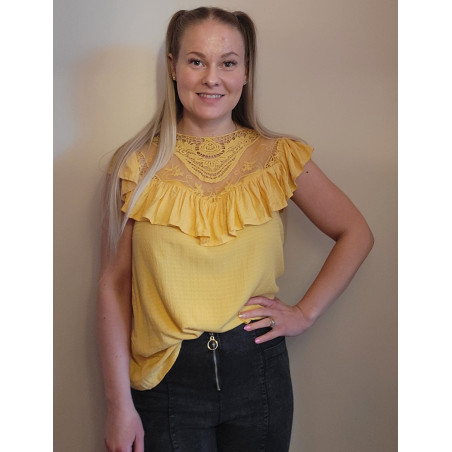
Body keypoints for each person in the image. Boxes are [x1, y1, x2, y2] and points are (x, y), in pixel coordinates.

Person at [97, 6, 374, 452]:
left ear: (246, 72)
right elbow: (115, 284)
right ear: (173, 66)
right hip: (166, 382)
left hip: (258, 376)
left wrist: (304, 313)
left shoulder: (278, 157)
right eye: (196, 61)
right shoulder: (135, 166)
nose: (212, 78)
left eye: (228, 62)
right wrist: (118, 405)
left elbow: (356, 232)